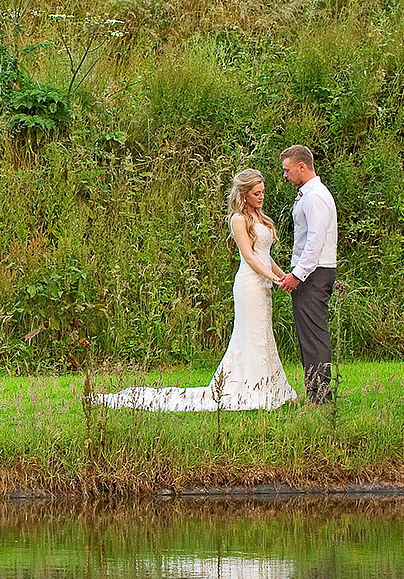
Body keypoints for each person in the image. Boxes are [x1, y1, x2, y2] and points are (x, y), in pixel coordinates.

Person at [95, 169, 298, 411]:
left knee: (263, 333)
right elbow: (251, 258)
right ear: (243, 194)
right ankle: (246, 386)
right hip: (249, 284)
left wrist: (282, 275)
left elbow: (266, 256)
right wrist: (274, 279)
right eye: (256, 193)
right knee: (249, 334)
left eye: (263, 192)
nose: (261, 197)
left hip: (263, 285)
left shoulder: (260, 218)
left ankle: (267, 383)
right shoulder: (239, 219)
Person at [277, 146, 338, 404]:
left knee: (313, 335)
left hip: (314, 273)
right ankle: (316, 392)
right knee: (308, 335)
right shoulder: (309, 194)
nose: (285, 176)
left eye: (287, 170)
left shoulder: (315, 196)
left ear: (302, 166)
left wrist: (298, 275)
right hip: (311, 272)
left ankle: (320, 396)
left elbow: (315, 240)